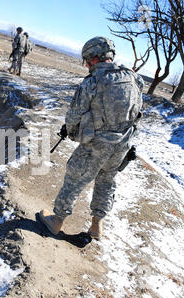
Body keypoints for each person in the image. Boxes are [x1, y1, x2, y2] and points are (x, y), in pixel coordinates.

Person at [39, 37, 144, 241]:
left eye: (87, 61)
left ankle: (56, 221)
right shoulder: (134, 78)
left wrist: (70, 131)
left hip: (96, 145)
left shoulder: (93, 82)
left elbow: (74, 115)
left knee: (75, 178)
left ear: (93, 58)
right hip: (122, 144)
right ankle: (96, 226)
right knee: (106, 181)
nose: (87, 66)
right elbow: (138, 112)